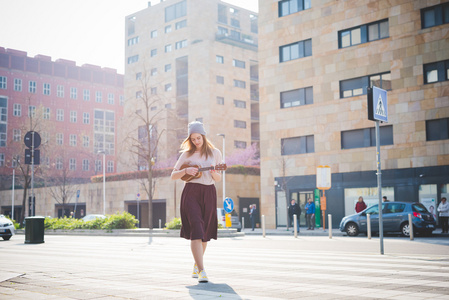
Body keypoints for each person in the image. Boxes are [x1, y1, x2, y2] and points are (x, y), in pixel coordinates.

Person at [171, 121, 222, 283]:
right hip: (191, 192)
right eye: (193, 139)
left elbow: (218, 178)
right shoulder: (186, 155)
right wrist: (185, 171)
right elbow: (173, 175)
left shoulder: (215, 153)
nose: (196, 142)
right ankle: (202, 271)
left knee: (205, 235)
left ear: (204, 136)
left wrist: (214, 172)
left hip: (209, 193)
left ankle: (196, 264)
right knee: (196, 230)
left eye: (198, 138)